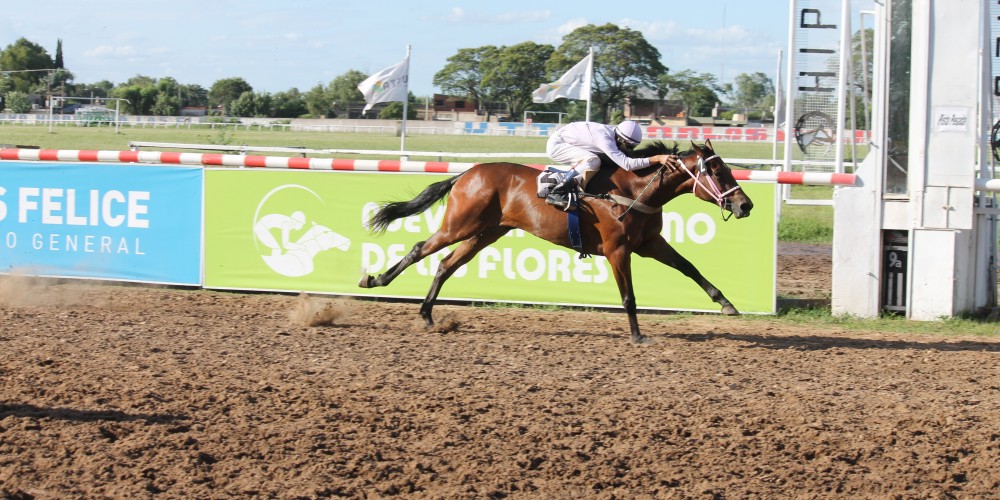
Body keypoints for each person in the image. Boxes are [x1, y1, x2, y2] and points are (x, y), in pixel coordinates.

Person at [544, 120, 676, 209]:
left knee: (597, 160)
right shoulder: (605, 140)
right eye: (629, 146)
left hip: (567, 138)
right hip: (557, 145)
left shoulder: (614, 134)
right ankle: (558, 191)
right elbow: (627, 164)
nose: (630, 150)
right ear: (621, 139)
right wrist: (657, 158)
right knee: (593, 161)